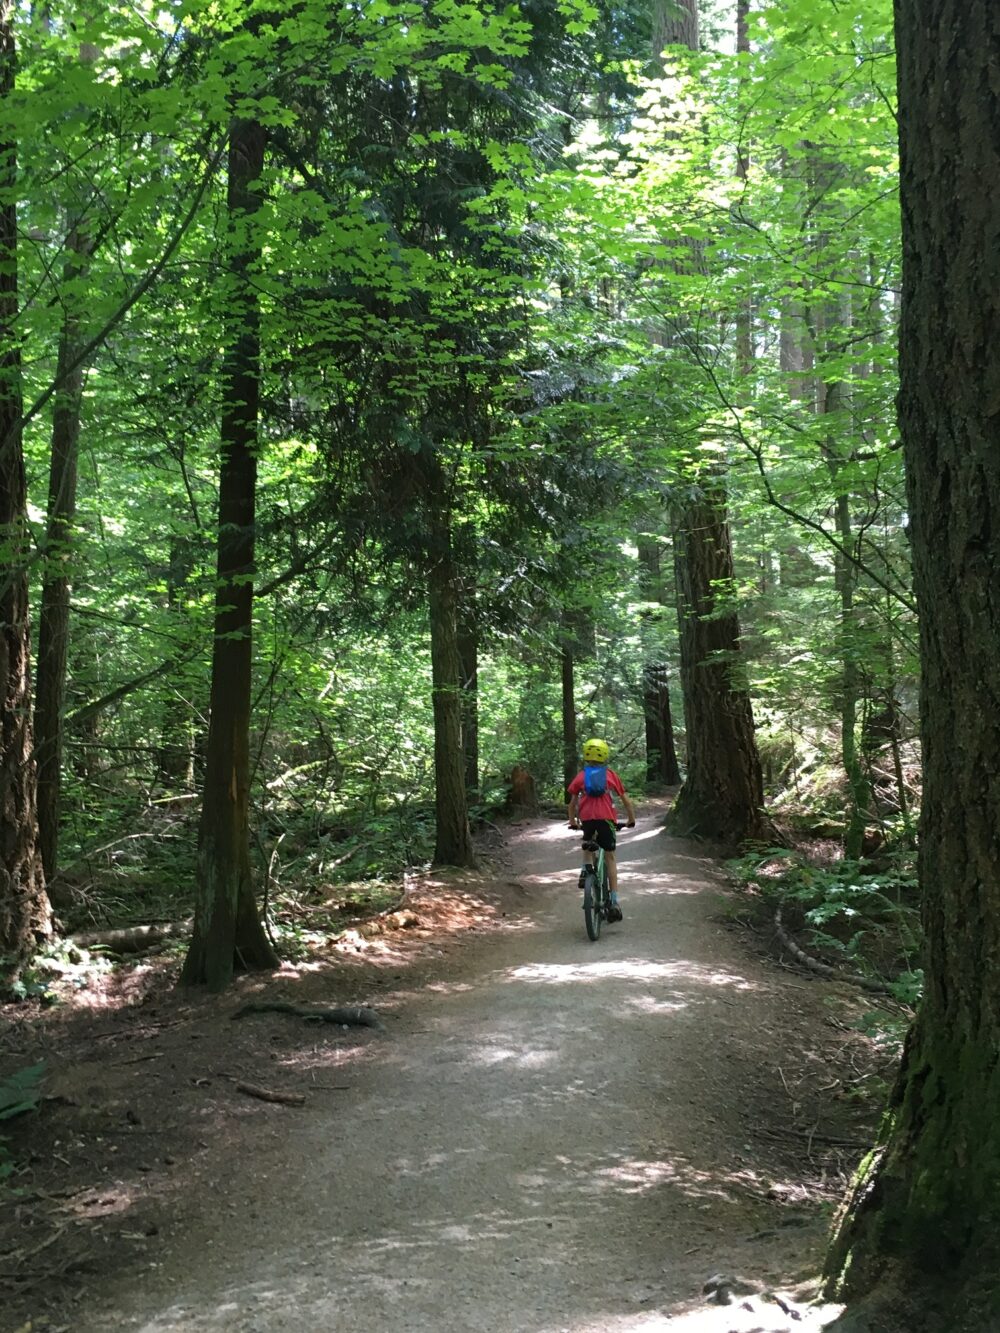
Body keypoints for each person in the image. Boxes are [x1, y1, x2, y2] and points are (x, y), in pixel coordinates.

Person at [567, 738, 636, 921]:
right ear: (605, 755)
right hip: (606, 820)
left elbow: (572, 804)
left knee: (588, 844)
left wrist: (573, 821)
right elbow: (626, 801)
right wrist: (631, 820)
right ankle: (614, 901)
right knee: (610, 857)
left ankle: (585, 870)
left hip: (588, 820)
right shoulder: (610, 775)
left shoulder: (581, 776)